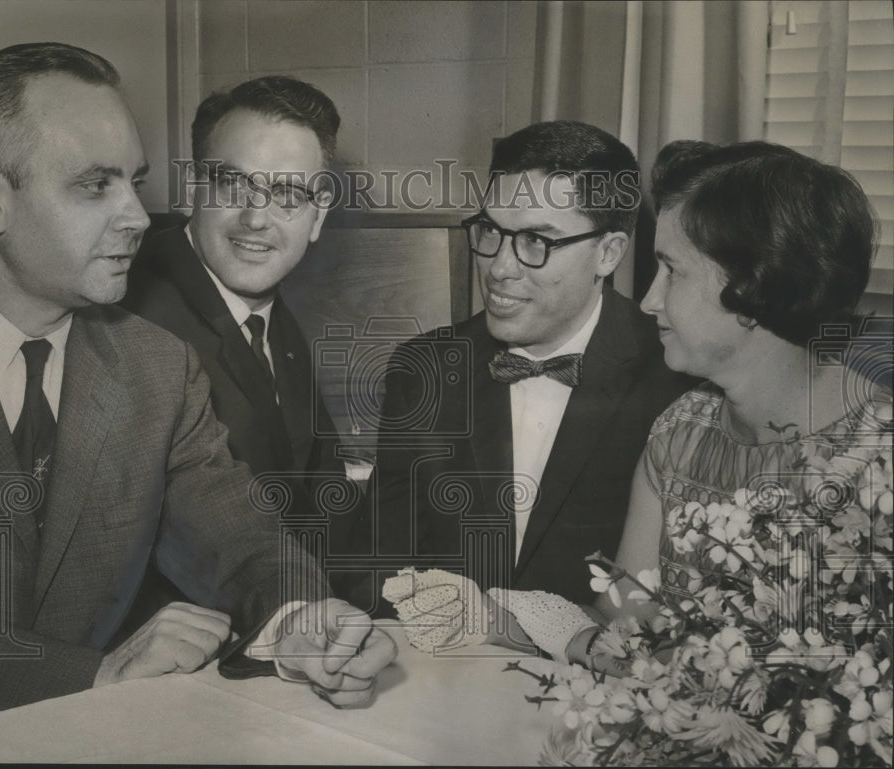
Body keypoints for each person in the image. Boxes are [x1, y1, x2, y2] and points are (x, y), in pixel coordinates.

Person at [0, 42, 393, 735]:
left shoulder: (156, 365)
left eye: (135, 180)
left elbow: (237, 533)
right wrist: (88, 675)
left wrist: (297, 620)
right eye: (96, 184)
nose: (136, 214)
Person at [493, 139, 891, 667]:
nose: (649, 299)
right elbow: (623, 625)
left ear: (753, 287)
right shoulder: (679, 432)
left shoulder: (878, 459)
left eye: (672, 271)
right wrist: (506, 619)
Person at [354, 121, 692, 622]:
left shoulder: (674, 376)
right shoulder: (422, 368)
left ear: (608, 253)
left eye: (536, 241)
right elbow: (379, 559)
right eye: (491, 232)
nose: (499, 268)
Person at [122, 77, 352, 620]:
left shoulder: (269, 312)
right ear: (193, 188)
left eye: (289, 195)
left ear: (316, 217)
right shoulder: (132, 313)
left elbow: (318, 495)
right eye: (233, 185)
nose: (256, 218)